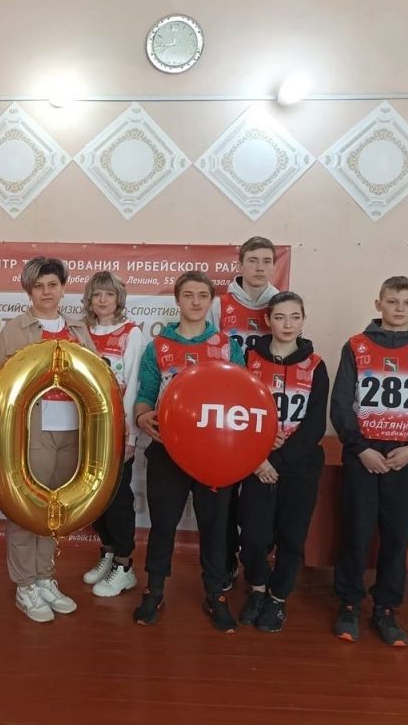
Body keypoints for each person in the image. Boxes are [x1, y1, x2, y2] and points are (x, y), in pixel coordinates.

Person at [0, 256, 96, 623]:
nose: (46, 292)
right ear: (29, 291)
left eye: (52, 285)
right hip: (31, 429)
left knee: (54, 508)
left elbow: (94, 381)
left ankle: (45, 577)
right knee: (27, 507)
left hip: (72, 430)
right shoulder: (14, 330)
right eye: (39, 286)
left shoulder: (78, 330)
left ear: (63, 288)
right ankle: (25, 584)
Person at [331, 276, 408, 646]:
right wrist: (360, 448)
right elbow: (341, 403)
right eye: (392, 301)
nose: (399, 308)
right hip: (363, 454)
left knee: (397, 537)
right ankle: (349, 604)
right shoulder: (356, 346)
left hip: (407, 457)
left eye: (407, 302)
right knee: (356, 532)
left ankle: (386, 608)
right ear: (378, 303)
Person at [132, 270, 245, 633]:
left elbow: (242, 398)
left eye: (202, 296)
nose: (195, 302)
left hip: (216, 454)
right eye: (188, 295)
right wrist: (143, 416)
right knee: (163, 524)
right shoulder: (158, 347)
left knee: (215, 526)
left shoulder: (227, 347)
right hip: (168, 450)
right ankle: (154, 590)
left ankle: (216, 593)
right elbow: (145, 396)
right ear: (177, 300)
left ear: (211, 301)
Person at [236, 292, 329, 632]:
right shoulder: (248, 360)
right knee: (254, 536)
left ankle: (277, 598)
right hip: (256, 463)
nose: (287, 324)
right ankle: (257, 589)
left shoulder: (316, 365)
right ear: (268, 320)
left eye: (294, 317)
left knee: (291, 537)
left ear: (303, 320)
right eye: (280, 317)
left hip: (299, 466)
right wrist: (259, 458)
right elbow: (237, 413)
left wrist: (280, 459)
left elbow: (315, 424)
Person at [209, 236, 280, 590]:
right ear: (240, 264)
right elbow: (208, 350)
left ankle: (256, 565)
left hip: (263, 410)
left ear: (274, 266)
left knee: (256, 500)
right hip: (226, 407)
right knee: (222, 495)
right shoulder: (220, 305)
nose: (259, 268)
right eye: (253, 260)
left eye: (266, 261)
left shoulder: (280, 303)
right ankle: (224, 563)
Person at [80, 271, 144, 597]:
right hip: (87, 431)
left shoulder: (131, 333)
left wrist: (130, 436)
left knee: (118, 498)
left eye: (109, 294)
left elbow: (134, 385)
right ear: (89, 300)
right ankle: (107, 552)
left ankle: (124, 564)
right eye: (97, 294)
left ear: (119, 298)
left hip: (117, 431)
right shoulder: (81, 332)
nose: (103, 300)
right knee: (94, 498)